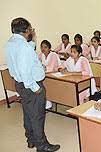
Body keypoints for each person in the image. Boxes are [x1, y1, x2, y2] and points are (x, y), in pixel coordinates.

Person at [5, 17, 60, 152]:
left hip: (20, 84)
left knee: (28, 113)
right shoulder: (23, 46)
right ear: (26, 30)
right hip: (31, 85)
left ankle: (31, 139)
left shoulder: (11, 43)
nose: (31, 31)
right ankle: (42, 146)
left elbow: (25, 57)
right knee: (37, 115)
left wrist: (33, 41)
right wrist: (35, 87)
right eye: (30, 29)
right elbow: (25, 70)